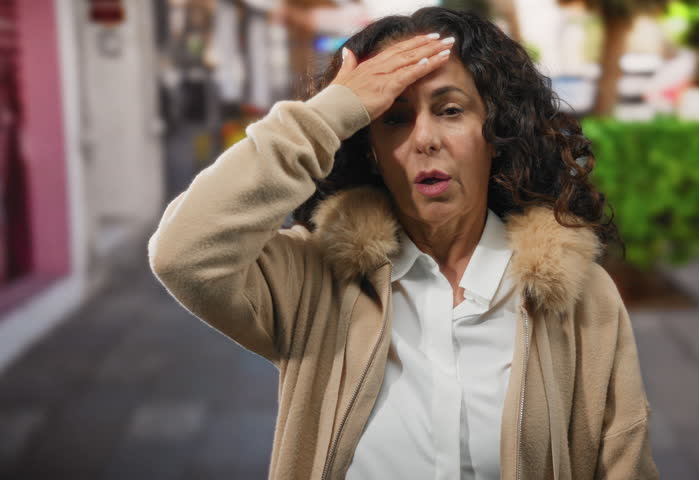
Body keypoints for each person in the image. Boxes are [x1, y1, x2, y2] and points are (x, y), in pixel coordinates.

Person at [148, 7, 659, 480]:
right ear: (371, 150)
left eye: (451, 110)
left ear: (496, 133)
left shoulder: (581, 298)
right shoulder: (313, 280)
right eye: (394, 118)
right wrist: (329, 113)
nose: (425, 138)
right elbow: (183, 253)